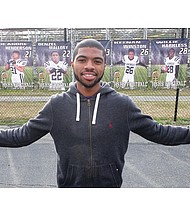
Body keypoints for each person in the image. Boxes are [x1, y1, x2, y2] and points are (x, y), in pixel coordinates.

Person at [0, 39, 190, 188]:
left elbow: (159, 132)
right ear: (73, 64)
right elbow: (22, 135)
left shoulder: (122, 105)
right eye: (82, 60)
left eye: (96, 61)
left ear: (104, 66)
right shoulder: (56, 106)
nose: (89, 66)